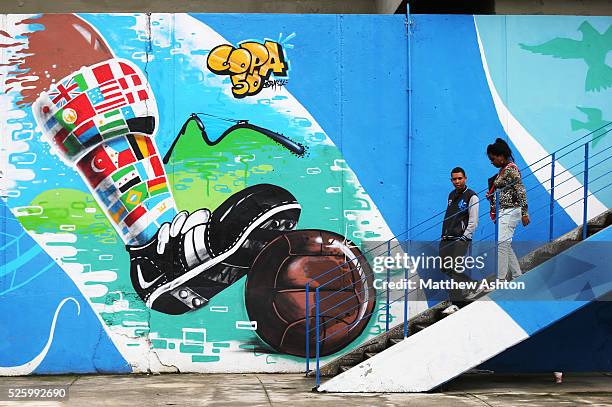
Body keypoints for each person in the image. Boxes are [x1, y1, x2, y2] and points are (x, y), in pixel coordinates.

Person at [486, 138, 530, 282]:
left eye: (493, 158)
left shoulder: (511, 169)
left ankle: (501, 280)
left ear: (501, 156)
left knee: (501, 245)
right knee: (505, 244)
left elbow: (520, 190)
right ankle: (517, 276)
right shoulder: (503, 170)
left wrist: (525, 213)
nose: (491, 162)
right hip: (505, 211)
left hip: (510, 211)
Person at [439, 167, 479, 314]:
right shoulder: (451, 195)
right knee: (444, 268)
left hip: (460, 239)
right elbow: (449, 215)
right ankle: (472, 284)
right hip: (446, 238)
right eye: (454, 179)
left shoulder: (472, 196)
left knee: (455, 270)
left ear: (465, 178)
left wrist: (465, 236)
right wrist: (444, 234)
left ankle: (456, 303)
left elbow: (474, 220)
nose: (457, 181)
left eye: (459, 178)